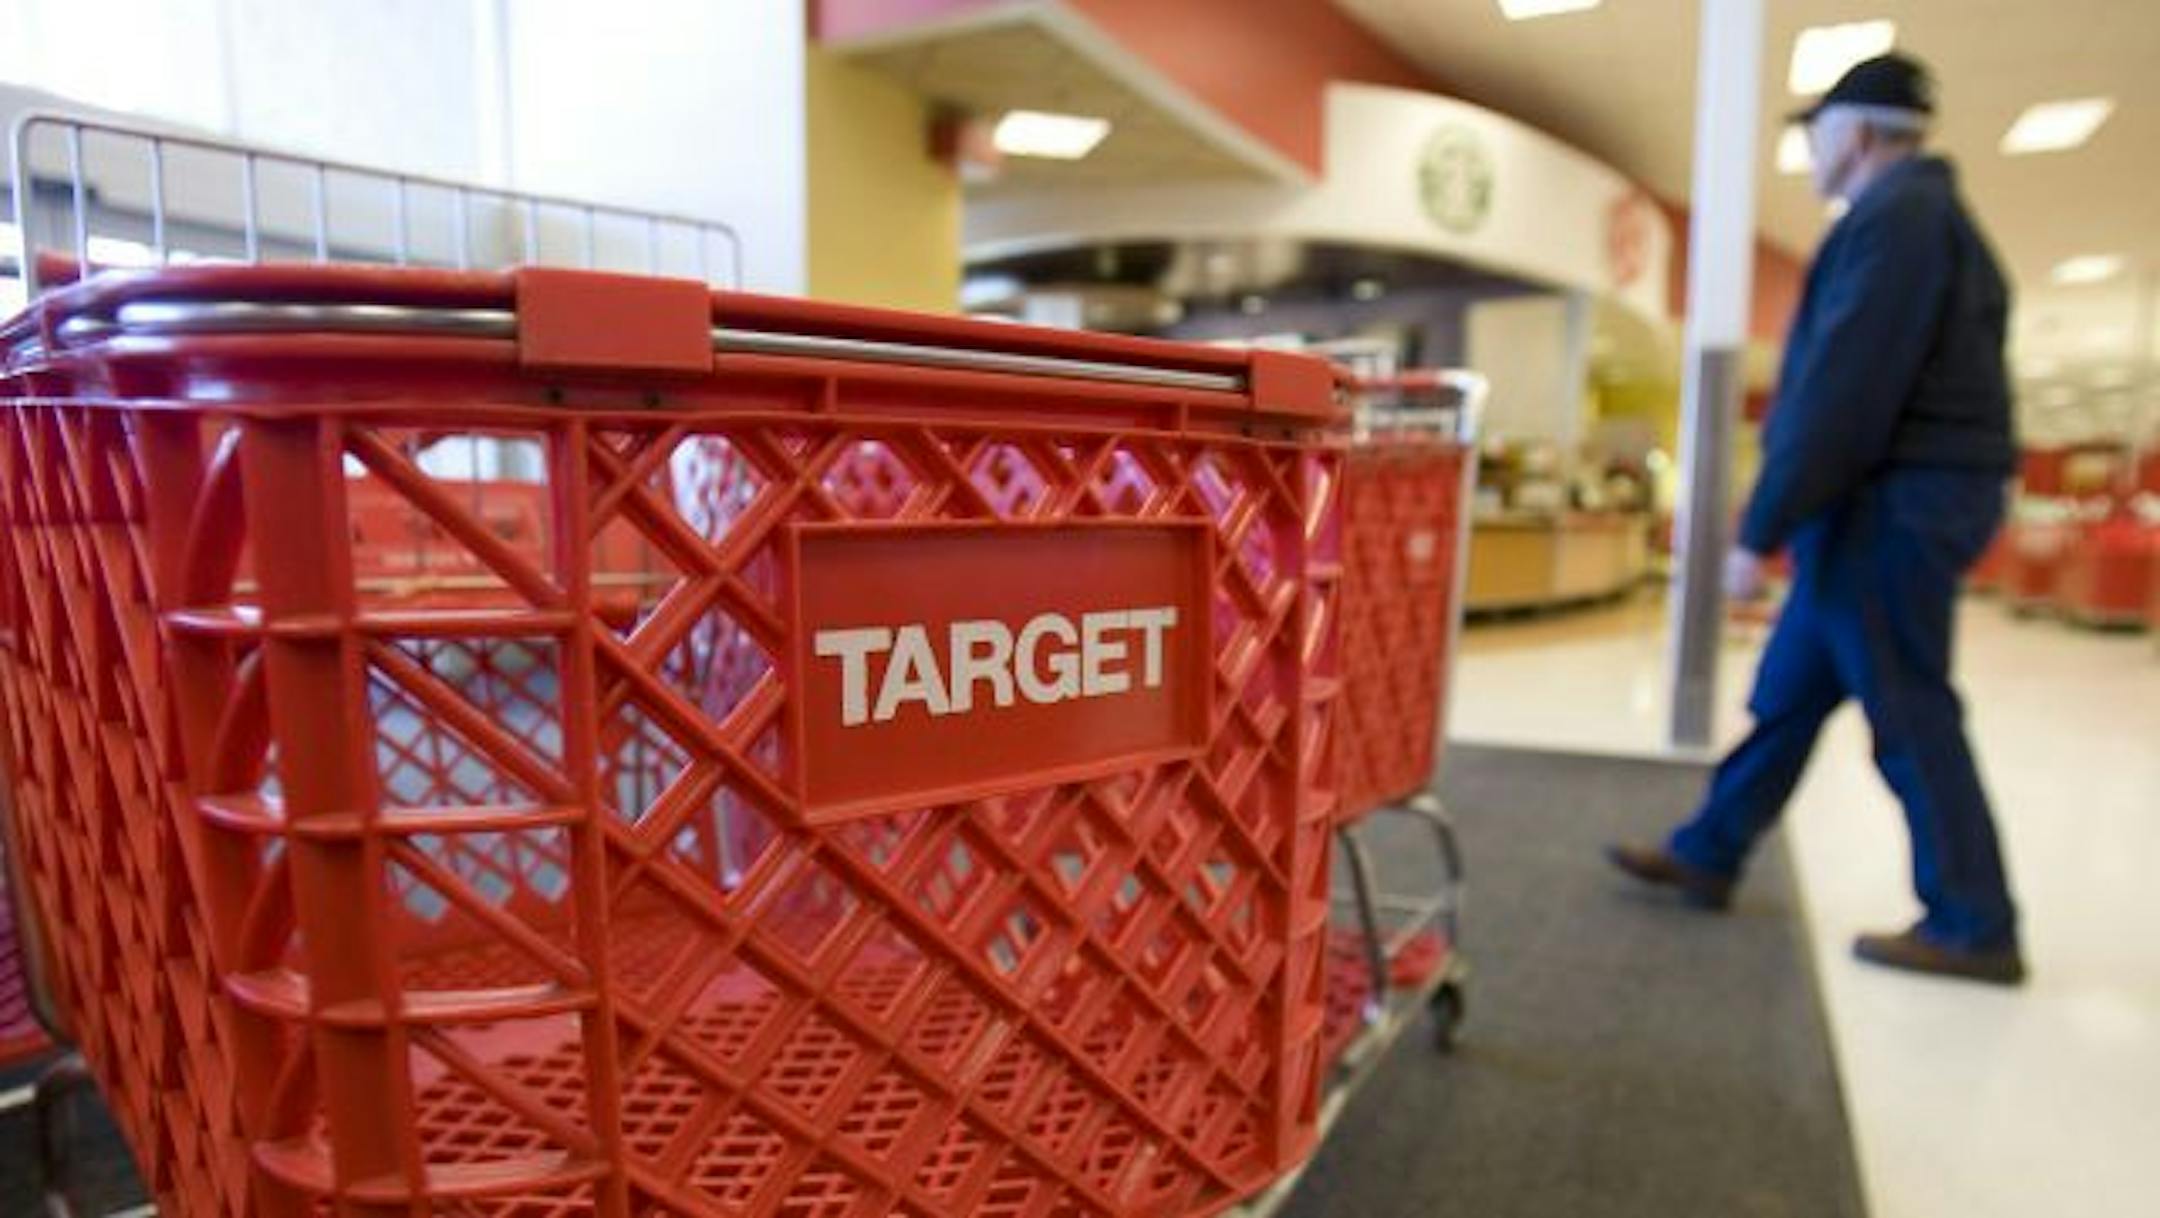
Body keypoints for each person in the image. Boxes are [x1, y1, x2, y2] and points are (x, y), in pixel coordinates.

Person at [1606, 52, 2025, 985]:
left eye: (1818, 130)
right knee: (1790, 696)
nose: (1811, 148)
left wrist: (1761, 528)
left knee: (1909, 711)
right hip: (1886, 506)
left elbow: (1843, 390)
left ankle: (1974, 923)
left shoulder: (1899, 220)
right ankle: (1709, 851)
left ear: (1861, 131)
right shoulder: (1918, 218)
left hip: (1892, 507)